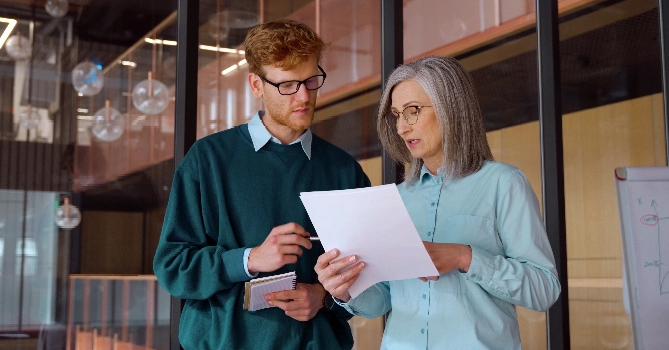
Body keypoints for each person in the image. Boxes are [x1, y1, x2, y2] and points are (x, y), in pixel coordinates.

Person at [315, 56, 561, 349]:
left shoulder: (503, 183)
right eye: (396, 115)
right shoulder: (398, 199)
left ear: (451, 108)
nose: (402, 127)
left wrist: (465, 257)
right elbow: (381, 301)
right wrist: (344, 289)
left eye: (413, 111)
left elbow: (544, 289)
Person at [153, 19, 370, 350]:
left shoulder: (345, 171)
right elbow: (172, 267)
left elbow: (369, 274)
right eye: (288, 85)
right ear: (256, 85)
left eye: (312, 81)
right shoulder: (207, 159)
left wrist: (323, 296)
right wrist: (248, 259)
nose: (304, 95)